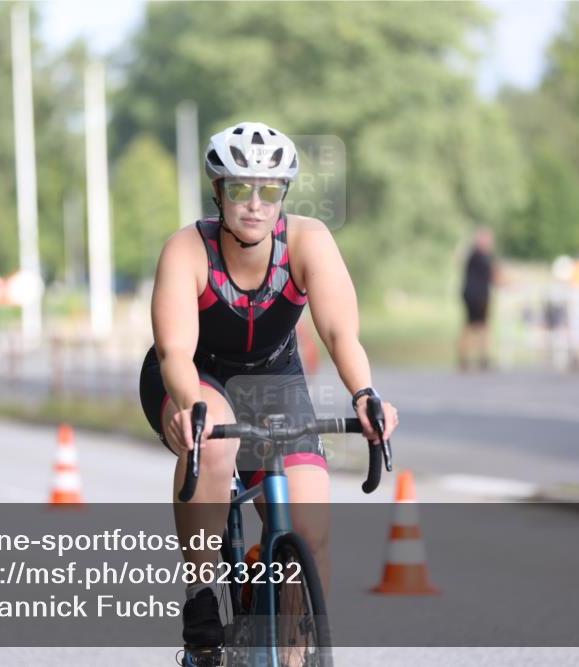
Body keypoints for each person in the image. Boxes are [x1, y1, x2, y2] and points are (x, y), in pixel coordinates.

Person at [137, 121, 399, 667]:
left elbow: (339, 333)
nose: (254, 204)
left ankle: (294, 650)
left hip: (273, 379)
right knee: (215, 447)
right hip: (193, 376)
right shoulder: (187, 249)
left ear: (284, 195)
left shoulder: (308, 241)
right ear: (218, 192)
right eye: (239, 188)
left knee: (311, 526)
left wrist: (365, 395)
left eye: (269, 191)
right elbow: (175, 356)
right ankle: (202, 600)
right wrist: (194, 409)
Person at [458, 226, 500, 371]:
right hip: (478, 295)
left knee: (471, 326)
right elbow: (495, 275)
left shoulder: (472, 255)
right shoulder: (481, 256)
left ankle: (466, 360)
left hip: (470, 294)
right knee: (481, 326)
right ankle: (482, 359)